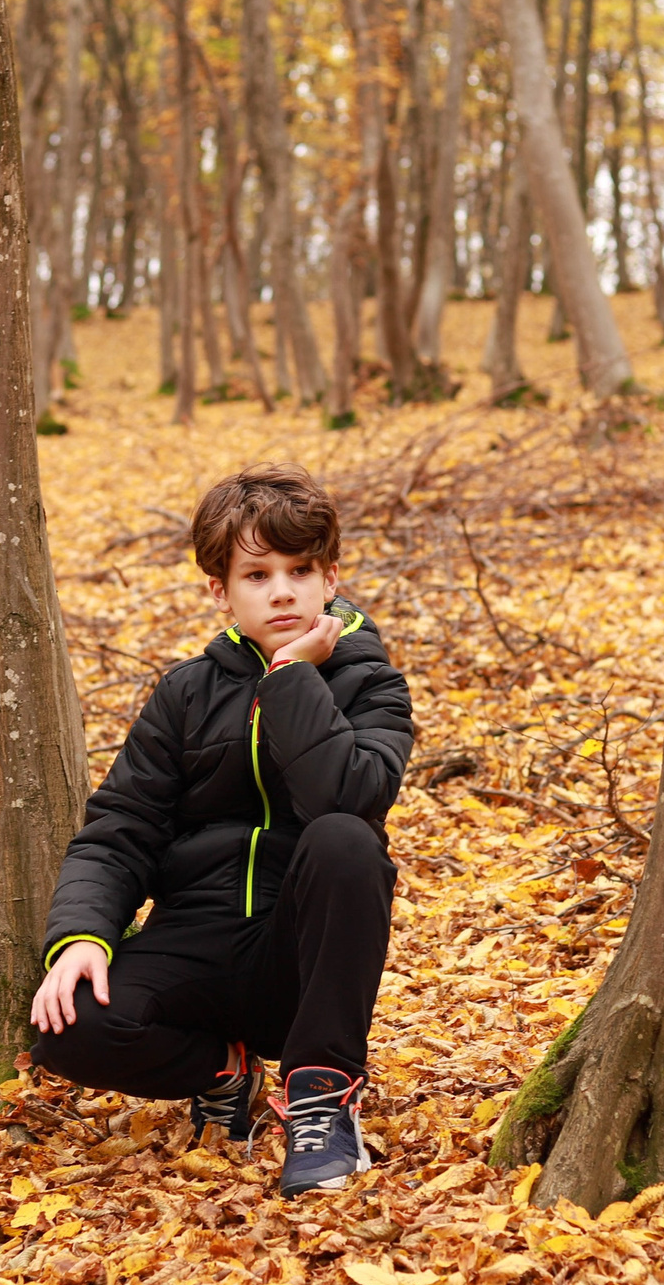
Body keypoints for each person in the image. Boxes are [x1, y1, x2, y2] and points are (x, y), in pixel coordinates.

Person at [28, 464, 414, 1196]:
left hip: (300, 959)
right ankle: (227, 1072)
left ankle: (322, 1101)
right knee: (66, 1025)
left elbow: (350, 796)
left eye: (300, 571)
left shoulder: (370, 683)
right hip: (194, 944)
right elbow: (121, 827)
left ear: (330, 579)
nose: (282, 591)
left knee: (345, 838)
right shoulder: (185, 694)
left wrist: (291, 676)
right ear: (221, 592)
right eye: (257, 575)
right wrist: (81, 936)